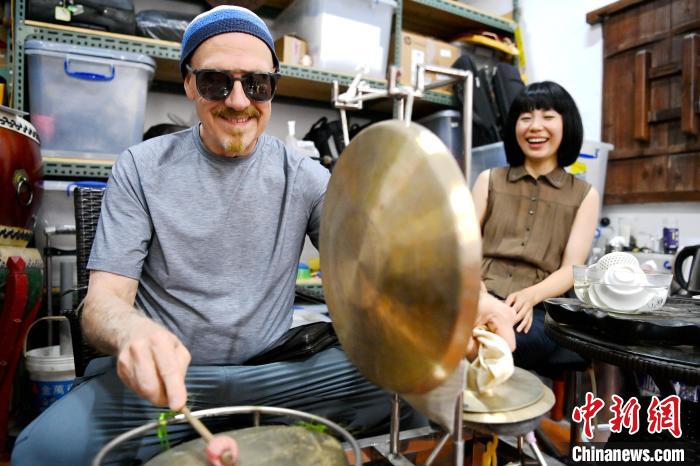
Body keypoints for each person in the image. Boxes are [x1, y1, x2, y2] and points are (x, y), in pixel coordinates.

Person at [12, 6, 515, 466]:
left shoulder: (306, 175)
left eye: (257, 84)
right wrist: (132, 334)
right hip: (172, 385)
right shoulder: (140, 168)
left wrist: (468, 301)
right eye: (215, 82)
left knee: (423, 390)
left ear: (272, 86)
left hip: (282, 376)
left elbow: (383, 256)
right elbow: (102, 305)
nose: (238, 101)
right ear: (189, 84)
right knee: (42, 451)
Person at [471, 81, 599, 371]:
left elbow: (572, 268)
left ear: (567, 125)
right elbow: (465, 251)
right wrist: (481, 297)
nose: (535, 126)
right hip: (477, 294)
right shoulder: (488, 180)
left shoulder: (585, 195)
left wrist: (531, 296)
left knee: (499, 342)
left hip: (538, 309)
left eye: (548, 116)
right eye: (526, 117)